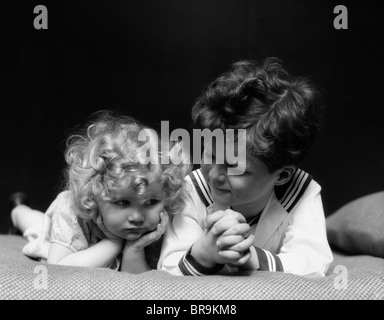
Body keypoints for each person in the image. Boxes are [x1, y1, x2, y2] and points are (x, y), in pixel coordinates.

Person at [158, 57, 333, 278]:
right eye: (210, 154)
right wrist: (204, 253)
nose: (214, 174)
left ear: (282, 175)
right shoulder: (191, 190)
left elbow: (313, 263)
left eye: (234, 166)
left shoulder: (302, 192)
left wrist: (251, 257)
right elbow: (168, 270)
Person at [9, 110, 190, 273]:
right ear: (94, 194)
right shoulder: (72, 211)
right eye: (123, 202)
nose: (137, 217)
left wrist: (133, 249)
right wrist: (113, 242)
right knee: (36, 228)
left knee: (38, 226)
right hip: (65, 242)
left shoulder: (158, 224)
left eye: (151, 202)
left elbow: (135, 281)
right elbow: (58, 268)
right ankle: (18, 210)